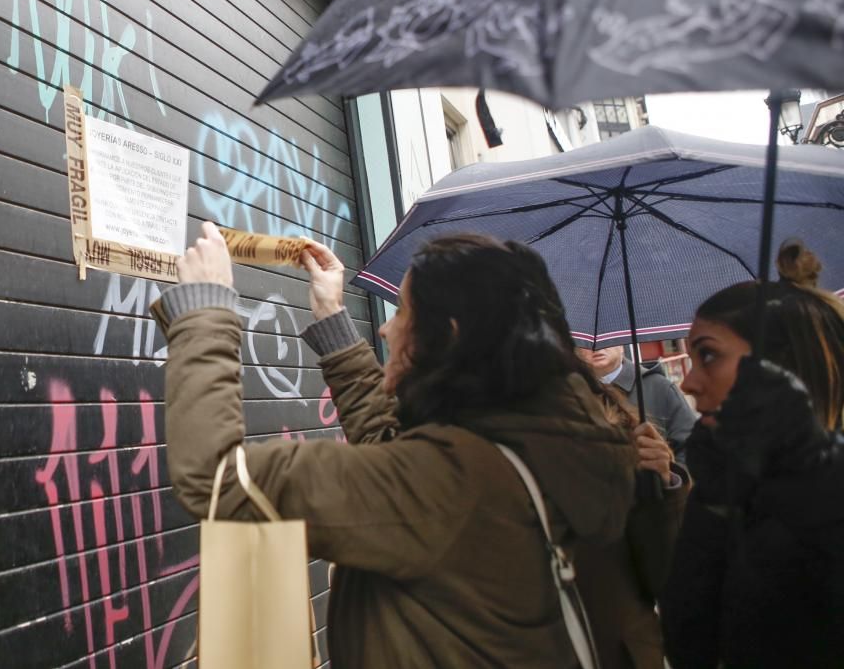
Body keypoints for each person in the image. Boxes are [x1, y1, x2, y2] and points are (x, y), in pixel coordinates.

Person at [151, 222, 644, 668]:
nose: (386, 327)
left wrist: (205, 308)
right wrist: (331, 317)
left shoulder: (450, 483)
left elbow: (215, 475)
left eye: (403, 310)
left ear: (446, 336)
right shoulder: (533, 446)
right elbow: (390, 446)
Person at [660, 240, 844, 669]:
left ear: (780, 364)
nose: (688, 383)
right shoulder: (727, 481)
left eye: (708, 356)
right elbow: (691, 639)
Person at [577, 345, 698, 463]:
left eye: (604, 339)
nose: (597, 347)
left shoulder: (659, 387)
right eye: (588, 342)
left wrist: (674, 479)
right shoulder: (574, 397)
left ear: (621, 346)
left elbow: (691, 449)